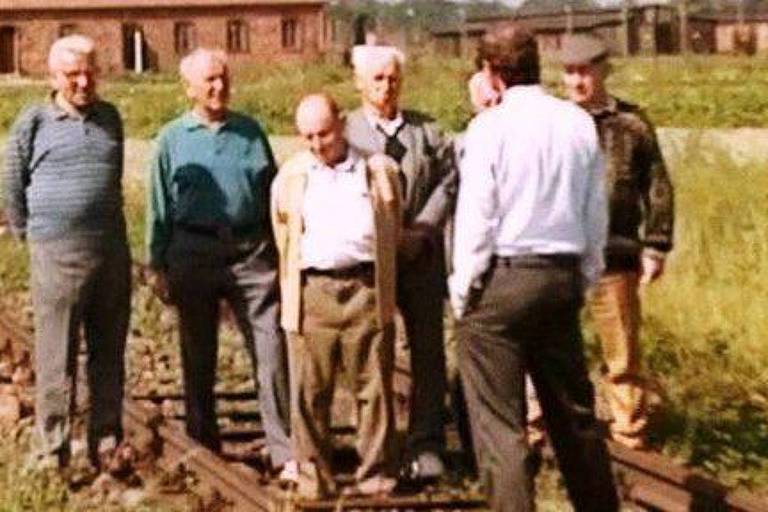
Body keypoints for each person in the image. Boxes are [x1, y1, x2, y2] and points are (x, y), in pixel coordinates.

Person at [450, 26, 619, 511]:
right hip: (562, 275)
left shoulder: (489, 129)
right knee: (575, 416)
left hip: (505, 278)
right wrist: (584, 276)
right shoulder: (577, 123)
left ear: (492, 73)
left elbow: (477, 220)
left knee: (501, 427)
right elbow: (594, 213)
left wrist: (465, 294)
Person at [145, 48, 292, 478]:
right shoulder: (172, 138)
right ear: (189, 88)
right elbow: (158, 205)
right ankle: (203, 445)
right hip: (194, 251)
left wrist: (281, 250)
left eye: (223, 78)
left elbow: (275, 193)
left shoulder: (250, 132)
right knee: (198, 351)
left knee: (271, 350)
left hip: (250, 252)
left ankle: (285, 450)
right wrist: (158, 262)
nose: (218, 87)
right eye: (208, 80)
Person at [3, 35, 131, 472]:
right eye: (72, 74)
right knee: (56, 357)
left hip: (110, 251)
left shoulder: (111, 118)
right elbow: (11, 180)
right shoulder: (33, 121)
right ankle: (51, 450)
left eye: (89, 72)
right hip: (56, 252)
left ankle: (107, 441)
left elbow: (110, 180)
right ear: (53, 76)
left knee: (109, 350)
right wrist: (28, 232)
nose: (82, 81)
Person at [272, 94, 401, 499]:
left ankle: (376, 473)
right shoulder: (291, 176)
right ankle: (314, 477)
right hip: (314, 292)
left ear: (342, 125)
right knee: (310, 390)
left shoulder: (377, 170)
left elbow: (392, 224)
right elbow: (282, 231)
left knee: (374, 386)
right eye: (307, 136)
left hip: (365, 288)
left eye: (324, 134)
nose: (316, 144)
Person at [345, 45, 457, 483]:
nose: (386, 87)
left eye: (392, 78)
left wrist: (423, 229)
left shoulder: (426, 131)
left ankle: (427, 443)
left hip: (422, 258)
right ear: (359, 83)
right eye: (377, 79)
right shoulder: (346, 131)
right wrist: (385, 237)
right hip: (370, 263)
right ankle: (376, 442)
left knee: (428, 353)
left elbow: (448, 180)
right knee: (372, 351)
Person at [561, 33, 675, 449]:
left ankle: (629, 433)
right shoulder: (553, 122)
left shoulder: (631, 124)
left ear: (603, 71)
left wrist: (657, 245)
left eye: (584, 72)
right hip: (561, 258)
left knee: (623, 352)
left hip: (616, 254)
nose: (577, 82)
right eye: (570, 73)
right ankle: (548, 429)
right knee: (554, 348)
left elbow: (658, 186)